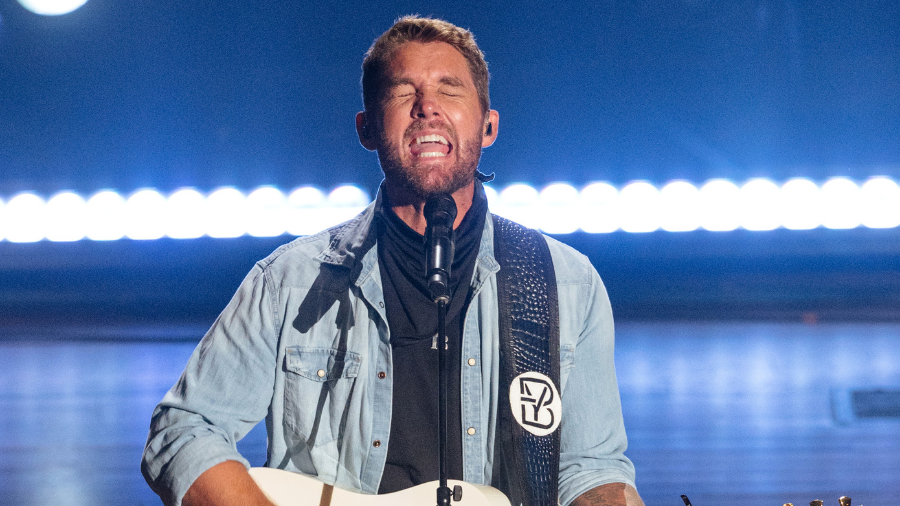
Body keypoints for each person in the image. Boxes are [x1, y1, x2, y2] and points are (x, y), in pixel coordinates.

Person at [142, 16, 642, 506]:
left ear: (488, 125)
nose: (427, 106)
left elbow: (590, 470)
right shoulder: (289, 282)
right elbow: (184, 429)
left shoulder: (566, 284)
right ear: (367, 129)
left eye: (449, 89)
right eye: (403, 93)